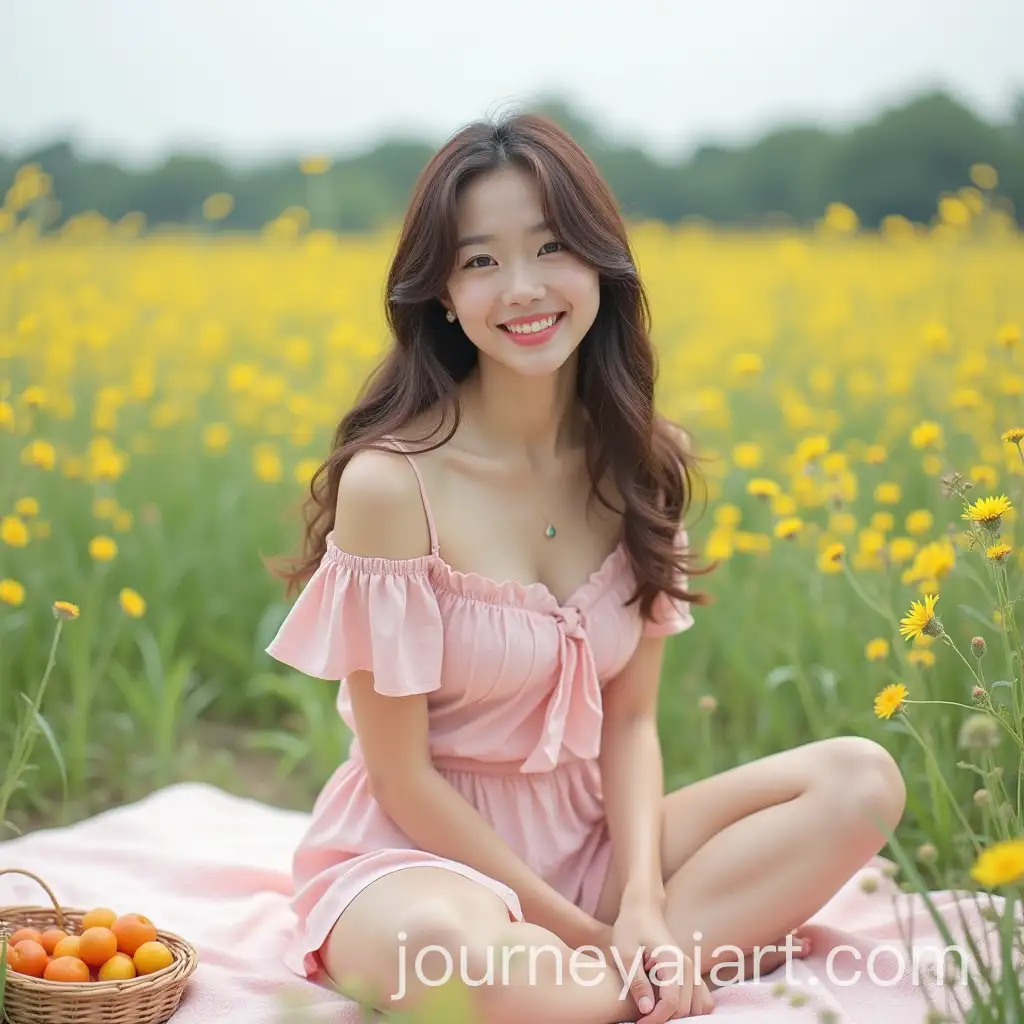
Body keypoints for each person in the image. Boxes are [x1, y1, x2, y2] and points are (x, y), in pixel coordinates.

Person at [263, 112, 907, 1023]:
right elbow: (401, 776)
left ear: (601, 262)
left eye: (552, 248)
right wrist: (586, 931)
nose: (522, 289)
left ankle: (620, 978)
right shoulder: (391, 486)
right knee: (459, 960)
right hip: (419, 859)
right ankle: (641, 976)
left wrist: (639, 899)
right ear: (442, 294)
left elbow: (632, 718)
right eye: (480, 261)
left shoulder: (643, 462)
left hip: (593, 841)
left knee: (860, 779)